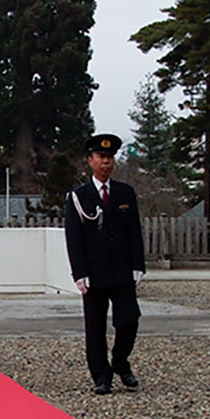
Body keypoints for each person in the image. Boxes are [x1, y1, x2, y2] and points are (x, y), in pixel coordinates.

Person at [64, 133, 145, 395]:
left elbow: (134, 231)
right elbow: (74, 238)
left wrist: (138, 264)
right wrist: (79, 272)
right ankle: (101, 376)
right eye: (101, 157)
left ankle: (120, 362)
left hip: (121, 270)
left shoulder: (125, 193)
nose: (106, 162)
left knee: (129, 319)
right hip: (94, 271)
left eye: (110, 157)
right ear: (90, 160)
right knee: (95, 327)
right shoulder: (78, 197)